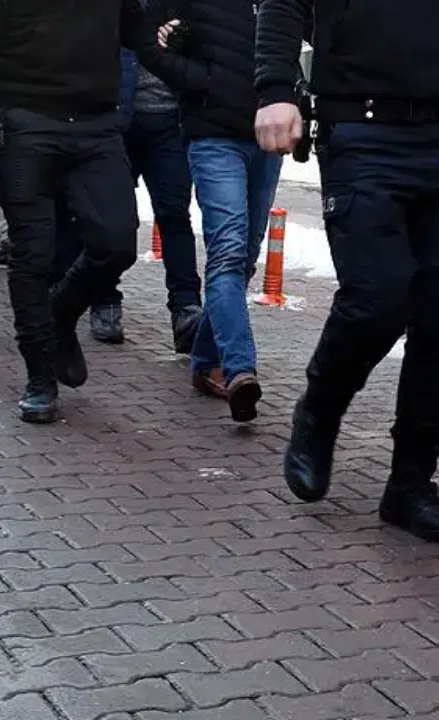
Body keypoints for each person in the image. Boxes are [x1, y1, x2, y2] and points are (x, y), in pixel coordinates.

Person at [257, 0, 439, 544]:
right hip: (361, 130)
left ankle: (411, 485)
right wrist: (274, 89)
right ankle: (319, 411)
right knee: (377, 298)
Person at [0, 0, 163, 422]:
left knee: (117, 243)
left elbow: (137, 28)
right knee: (32, 255)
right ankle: (40, 377)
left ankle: (60, 314)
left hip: (97, 126)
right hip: (26, 122)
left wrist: (177, 35)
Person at [149, 2, 281, 422]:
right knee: (228, 253)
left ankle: (206, 362)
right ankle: (239, 368)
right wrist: (196, 80)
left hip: (267, 135)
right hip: (213, 136)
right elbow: (146, 34)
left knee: (245, 258)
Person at [118, 38, 202, 354]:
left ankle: (186, 308)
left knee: (174, 214)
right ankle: (104, 297)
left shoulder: (184, 13)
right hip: (119, 121)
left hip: (171, 123)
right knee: (115, 218)